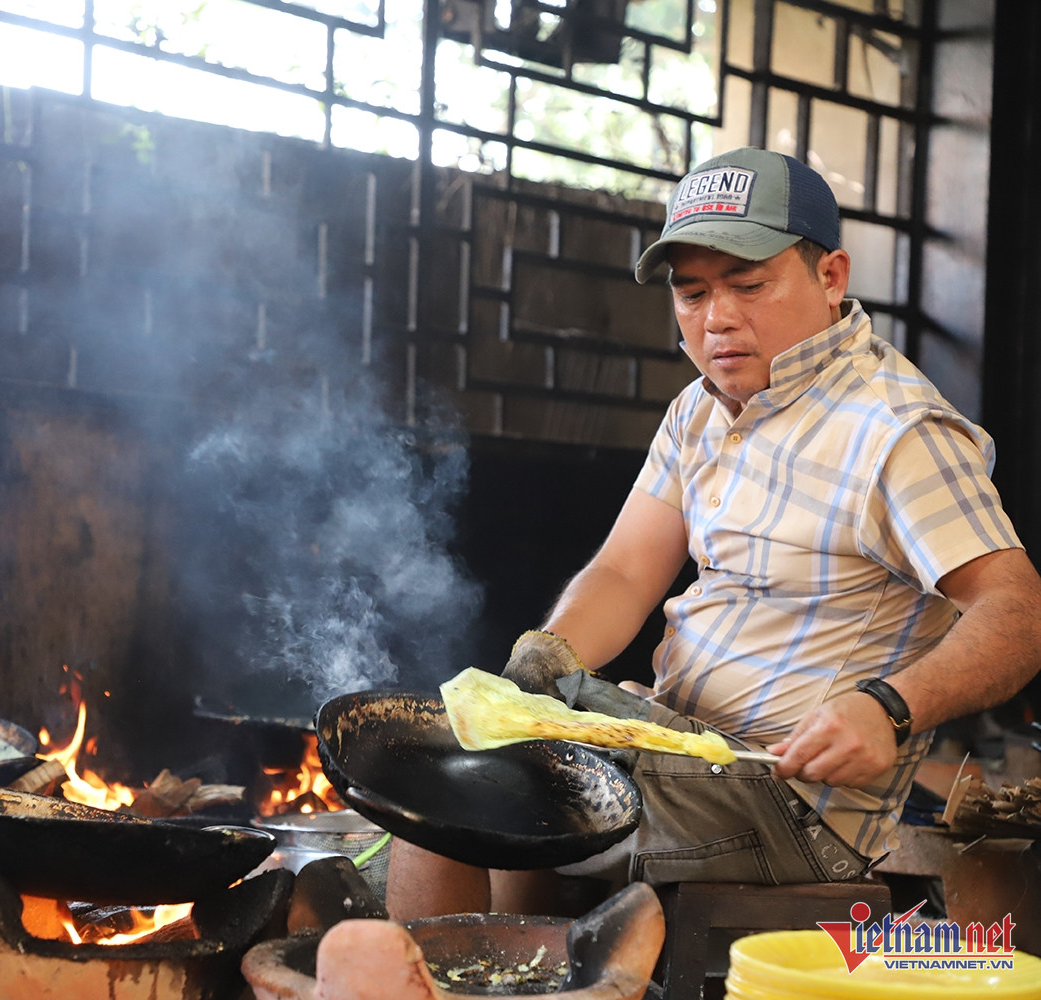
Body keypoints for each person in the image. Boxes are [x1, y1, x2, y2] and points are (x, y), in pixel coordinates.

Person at [386, 147, 1041, 919]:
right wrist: (547, 658)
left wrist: (889, 709)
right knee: (479, 744)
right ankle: (520, 961)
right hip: (681, 746)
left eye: (749, 284)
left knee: (441, 786)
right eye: (691, 293)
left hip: (787, 802)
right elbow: (628, 572)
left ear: (831, 277)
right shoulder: (699, 409)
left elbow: (1019, 611)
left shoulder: (895, 433)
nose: (717, 318)